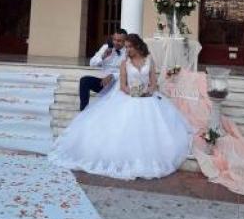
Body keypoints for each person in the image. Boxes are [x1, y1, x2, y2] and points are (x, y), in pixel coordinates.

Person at [48, 34, 192, 180]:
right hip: (130, 96)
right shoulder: (125, 63)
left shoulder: (149, 60)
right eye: (126, 47)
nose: (127, 49)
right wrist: (134, 93)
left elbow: (154, 83)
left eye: (130, 47)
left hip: (148, 97)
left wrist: (148, 92)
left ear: (138, 46)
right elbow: (123, 86)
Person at [79, 29, 127, 110]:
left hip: (118, 84)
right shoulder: (105, 47)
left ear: (125, 41)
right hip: (103, 82)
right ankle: (83, 111)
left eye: (119, 41)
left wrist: (112, 76)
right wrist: (103, 56)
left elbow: (128, 71)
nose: (115, 42)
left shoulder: (128, 51)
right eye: (114, 39)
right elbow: (92, 63)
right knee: (84, 81)